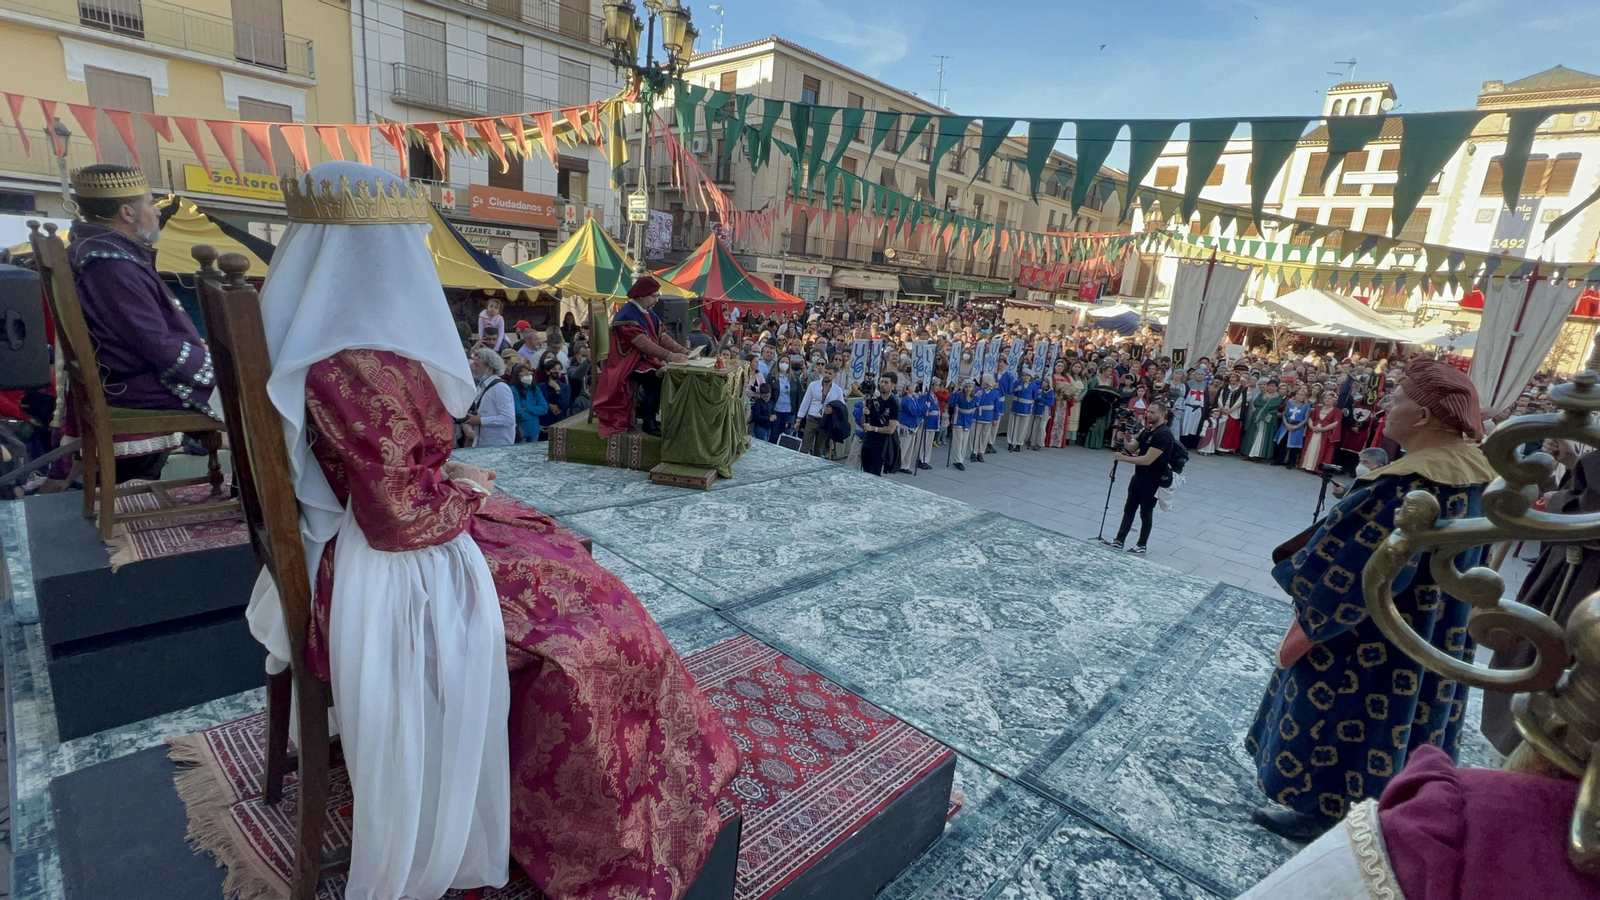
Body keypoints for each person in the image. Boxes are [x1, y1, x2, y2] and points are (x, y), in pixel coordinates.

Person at [248, 162, 736, 900]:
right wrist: (469, 492)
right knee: (604, 635)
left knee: (564, 553)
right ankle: (593, 830)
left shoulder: (325, 345)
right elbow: (402, 519)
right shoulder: (363, 369)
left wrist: (459, 493)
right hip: (395, 567)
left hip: (366, 545)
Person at [1245, 358, 1495, 843]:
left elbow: (1352, 570)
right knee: (1413, 713)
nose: (1387, 404)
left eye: (1398, 397)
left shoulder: (1409, 482)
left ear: (1423, 417)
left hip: (1372, 632)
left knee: (1345, 715)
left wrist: (1304, 583)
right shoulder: (1475, 468)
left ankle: (1322, 809)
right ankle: (1396, 804)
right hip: (1436, 620)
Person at [63, 164, 219, 481]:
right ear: (127, 212)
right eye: (150, 203)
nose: (156, 212)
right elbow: (155, 343)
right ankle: (261, 499)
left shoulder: (99, 251)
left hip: (127, 378)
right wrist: (217, 368)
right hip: (136, 386)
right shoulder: (113, 265)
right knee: (254, 392)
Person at [1481, 440, 1598, 754]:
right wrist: (1574, 465)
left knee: (1551, 676)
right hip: (1573, 572)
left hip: (1582, 585)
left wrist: (1557, 499)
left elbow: (1587, 516)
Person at [593, 276, 690, 437]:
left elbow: (662, 337)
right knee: (657, 377)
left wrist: (685, 352)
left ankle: (648, 414)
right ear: (641, 295)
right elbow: (645, 345)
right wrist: (672, 356)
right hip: (626, 362)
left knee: (662, 374)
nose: (657, 300)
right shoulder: (627, 315)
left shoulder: (647, 312)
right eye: (654, 296)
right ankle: (648, 420)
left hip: (641, 359)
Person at [1101, 401, 1175, 555]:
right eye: (1148, 412)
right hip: (1138, 476)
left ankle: (1142, 544)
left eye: (1153, 412)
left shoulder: (1164, 434)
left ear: (1162, 414)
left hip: (1153, 479)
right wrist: (1123, 438)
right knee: (1129, 508)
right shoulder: (1147, 431)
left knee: (1145, 512)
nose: (1149, 415)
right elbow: (1132, 448)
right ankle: (1119, 540)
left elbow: (1148, 459)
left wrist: (1122, 458)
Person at [462, 348, 516, 447]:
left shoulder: (500, 388)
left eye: (477, 365)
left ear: (490, 368)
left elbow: (508, 419)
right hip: (481, 443)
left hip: (498, 446)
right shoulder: (481, 386)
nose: (473, 368)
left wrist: (480, 421)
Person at [795, 364, 844, 456]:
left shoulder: (838, 390)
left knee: (819, 450)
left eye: (830, 373)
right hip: (811, 420)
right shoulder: (813, 385)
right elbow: (805, 403)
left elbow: (842, 407)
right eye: (825, 372)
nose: (827, 375)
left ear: (835, 375)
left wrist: (833, 410)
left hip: (825, 422)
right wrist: (798, 420)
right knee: (804, 448)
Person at [860, 373, 900, 476]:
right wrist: (865, 413)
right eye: (881, 381)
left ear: (893, 386)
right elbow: (864, 423)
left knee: (875, 472)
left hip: (881, 444)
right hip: (869, 441)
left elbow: (891, 429)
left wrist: (873, 428)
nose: (882, 384)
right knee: (866, 470)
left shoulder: (893, 404)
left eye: (886, 382)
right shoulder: (875, 401)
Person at [1300, 390, 1344, 473]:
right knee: (1311, 447)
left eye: (1329, 398)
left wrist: (1324, 429)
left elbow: (1336, 422)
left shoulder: (1337, 411)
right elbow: (1310, 418)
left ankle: (1317, 468)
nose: (1327, 400)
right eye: (1325, 398)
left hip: (1325, 433)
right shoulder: (1318, 408)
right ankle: (1307, 465)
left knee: (1322, 449)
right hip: (1313, 431)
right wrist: (1312, 426)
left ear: (1334, 400)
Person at [506, 359, 548, 443]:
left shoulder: (536, 389)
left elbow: (544, 408)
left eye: (529, 373)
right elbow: (517, 412)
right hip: (521, 431)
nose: (528, 376)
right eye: (524, 373)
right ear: (517, 375)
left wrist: (527, 409)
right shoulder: (514, 390)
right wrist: (534, 416)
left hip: (535, 431)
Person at [1242, 380, 1284, 460]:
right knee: (1253, 434)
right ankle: (1249, 454)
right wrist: (1264, 408)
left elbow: (1274, 405)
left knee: (1264, 436)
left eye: (1273, 386)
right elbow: (1256, 403)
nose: (1270, 387)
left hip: (1269, 418)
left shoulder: (1278, 397)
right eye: (1269, 385)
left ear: (1276, 388)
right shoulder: (1261, 394)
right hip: (1257, 417)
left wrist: (1264, 408)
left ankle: (1259, 455)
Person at [767, 354, 802, 441]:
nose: (784, 364)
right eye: (782, 362)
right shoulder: (771, 378)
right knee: (774, 435)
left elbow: (799, 396)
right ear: (778, 363)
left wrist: (798, 414)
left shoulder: (795, 379)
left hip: (790, 412)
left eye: (786, 362)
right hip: (776, 411)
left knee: (787, 436)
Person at [1275, 387, 1311, 467]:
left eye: (1301, 395)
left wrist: (1296, 427)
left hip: (1297, 427)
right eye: (1298, 394)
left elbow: (1305, 419)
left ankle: (1290, 462)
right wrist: (1286, 424)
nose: (1299, 396)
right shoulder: (1290, 403)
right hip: (1286, 425)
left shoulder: (1306, 406)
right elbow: (1284, 414)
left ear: (1305, 396)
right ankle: (1279, 459)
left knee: (1294, 446)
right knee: (1282, 443)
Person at [949, 379, 978, 471]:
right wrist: (953, 393)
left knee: (965, 440)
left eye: (970, 387)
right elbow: (951, 403)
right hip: (959, 418)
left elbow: (977, 406)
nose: (968, 389)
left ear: (973, 388)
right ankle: (957, 460)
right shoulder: (959, 395)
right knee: (958, 440)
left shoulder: (975, 397)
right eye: (966, 387)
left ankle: (960, 458)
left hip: (968, 419)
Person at [895, 378, 922, 474]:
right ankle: (897, 464)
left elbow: (918, 409)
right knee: (903, 446)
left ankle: (905, 465)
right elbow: (914, 411)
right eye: (910, 385)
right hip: (905, 425)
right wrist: (924, 407)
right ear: (906, 390)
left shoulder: (914, 398)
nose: (913, 386)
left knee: (910, 447)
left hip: (913, 425)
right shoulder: (905, 400)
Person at [1009, 369, 1038, 452]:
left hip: (1026, 408)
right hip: (1016, 406)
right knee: (1013, 425)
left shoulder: (1033, 385)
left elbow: (1035, 396)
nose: (1026, 377)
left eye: (1028, 375)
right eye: (1024, 375)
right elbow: (1011, 391)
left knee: (1023, 427)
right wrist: (1016, 390)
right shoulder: (1018, 383)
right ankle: (1011, 442)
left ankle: (1019, 443)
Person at [973, 374, 998, 463]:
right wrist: (977, 395)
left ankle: (980, 451)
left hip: (988, 416)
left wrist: (995, 418)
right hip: (978, 415)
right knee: (975, 435)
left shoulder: (995, 393)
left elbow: (996, 407)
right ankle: (974, 452)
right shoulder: (977, 390)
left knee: (984, 435)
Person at [1030, 379, 1054, 451]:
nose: (1044, 383)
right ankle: (1033, 442)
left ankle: (1040, 443)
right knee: (1035, 427)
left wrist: (1040, 398)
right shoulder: (1039, 389)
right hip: (1037, 409)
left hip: (1045, 410)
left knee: (1042, 427)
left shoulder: (1050, 391)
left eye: (1046, 381)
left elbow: (1050, 402)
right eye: (1043, 381)